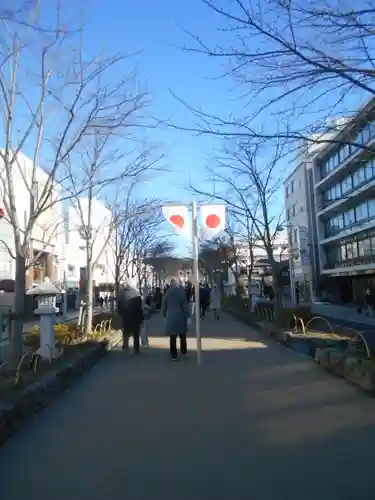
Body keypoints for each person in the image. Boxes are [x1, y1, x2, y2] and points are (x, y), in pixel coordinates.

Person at [162, 278, 190, 362]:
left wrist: (164, 316)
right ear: (177, 284)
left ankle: (173, 355)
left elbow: (164, 306)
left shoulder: (167, 293)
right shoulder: (181, 293)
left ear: (171, 284)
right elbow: (185, 306)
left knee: (172, 337)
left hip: (171, 316)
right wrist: (188, 316)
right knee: (182, 335)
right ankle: (184, 351)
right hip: (181, 316)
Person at [117, 279, 144, 355]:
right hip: (135, 318)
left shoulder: (122, 294)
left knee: (126, 333)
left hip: (125, 317)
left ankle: (125, 348)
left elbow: (119, 306)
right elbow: (140, 308)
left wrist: (120, 314)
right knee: (136, 334)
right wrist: (142, 318)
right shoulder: (137, 294)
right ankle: (136, 350)